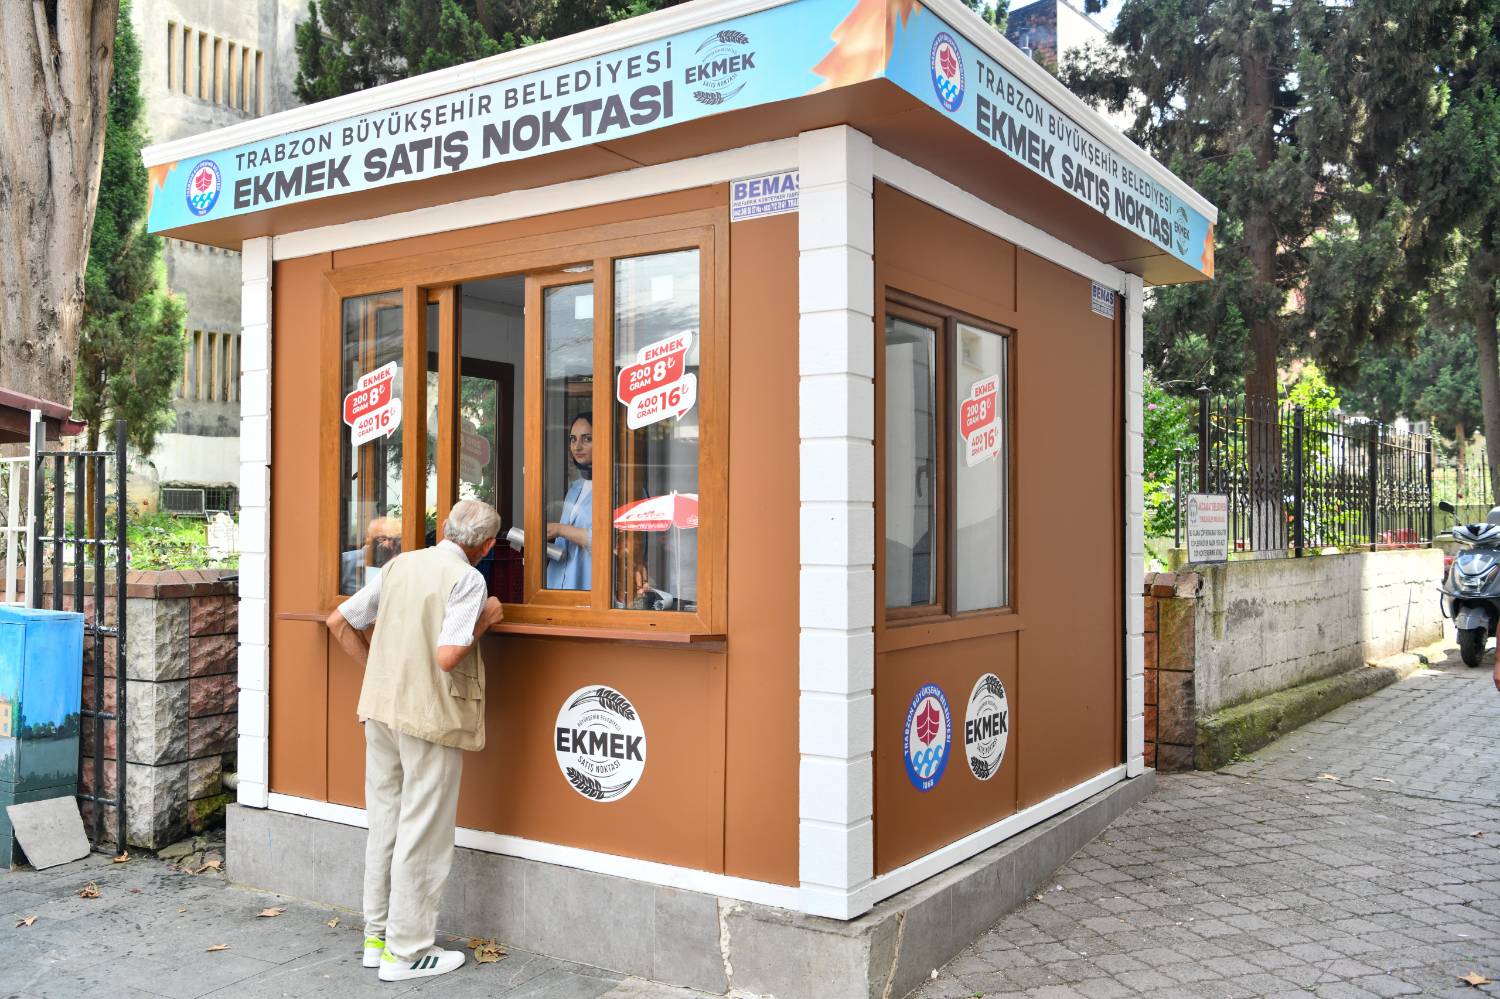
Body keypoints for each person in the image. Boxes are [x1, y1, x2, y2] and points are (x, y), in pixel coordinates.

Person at [325, 499, 505, 982]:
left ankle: (377, 938)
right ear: (488, 545)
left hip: (381, 709)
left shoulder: (400, 564)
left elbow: (339, 622)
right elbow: (448, 656)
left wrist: (379, 673)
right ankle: (406, 953)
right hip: (428, 717)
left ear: (444, 528)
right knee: (424, 832)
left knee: (385, 823)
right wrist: (485, 620)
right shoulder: (468, 579)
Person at [546, 412, 593, 590]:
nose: (577, 446)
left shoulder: (620, 490)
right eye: (573, 439)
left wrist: (559, 529)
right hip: (556, 588)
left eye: (587, 439)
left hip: (590, 591)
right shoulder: (575, 488)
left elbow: (611, 542)